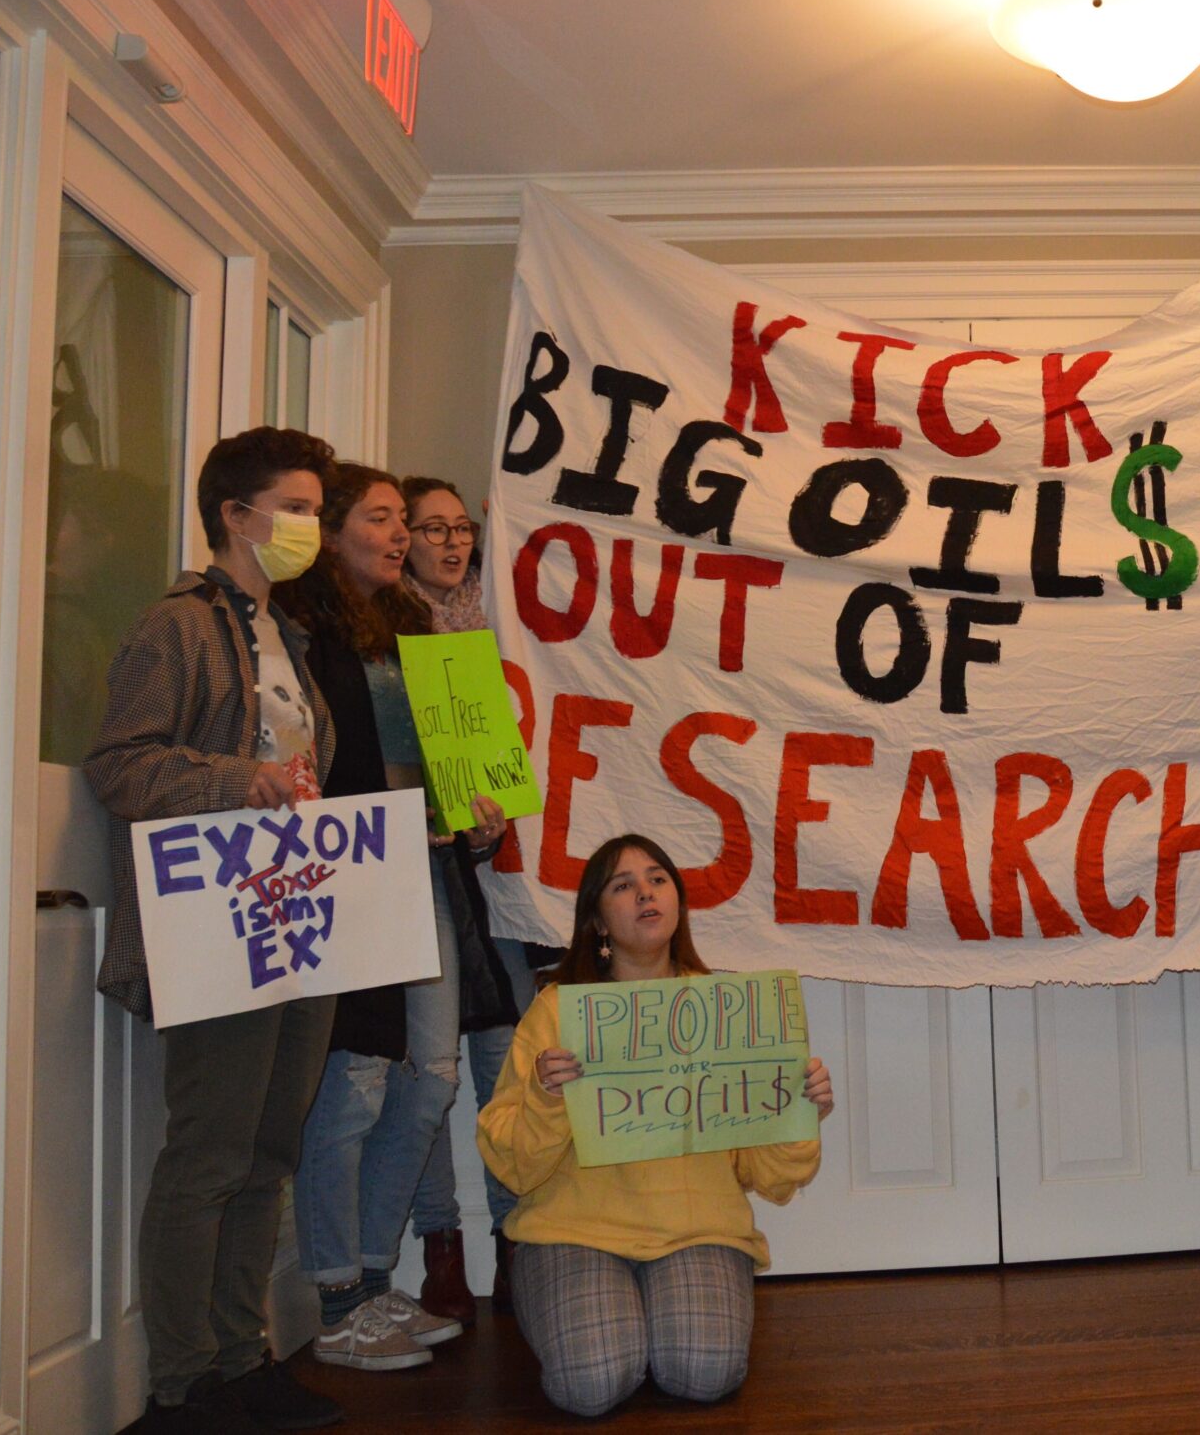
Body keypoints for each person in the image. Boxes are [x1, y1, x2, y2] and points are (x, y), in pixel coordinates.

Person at [86, 426, 347, 1433]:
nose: (309, 526)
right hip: (214, 928)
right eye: (294, 506)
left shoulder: (291, 640)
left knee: (270, 1148)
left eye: (316, 508)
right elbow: (121, 766)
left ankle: (245, 1357)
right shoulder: (175, 627)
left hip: (301, 919)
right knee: (209, 1152)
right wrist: (244, 781)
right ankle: (183, 1380)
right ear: (235, 516)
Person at [279, 464, 508, 1370]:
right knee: (353, 1090)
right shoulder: (302, 632)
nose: (402, 534)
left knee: (432, 1080)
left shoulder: (420, 629)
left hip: (423, 873)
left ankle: (377, 1280)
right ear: (334, 532)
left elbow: (460, 763)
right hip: (345, 878)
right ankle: (340, 1295)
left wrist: (480, 815)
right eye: (381, 519)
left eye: (400, 521)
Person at [479, 835, 832, 1418]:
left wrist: (797, 1111)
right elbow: (512, 1164)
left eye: (658, 878)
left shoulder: (729, 1010)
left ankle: (644, 1328)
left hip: (697, 1231)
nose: (645, 892)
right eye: (622, 885)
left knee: (705, 1372)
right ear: (596, 918)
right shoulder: (556, 1011)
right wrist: (546, 1096)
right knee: (591, 1383)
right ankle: (615, 1327)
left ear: (678, 901)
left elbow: (770, 1177)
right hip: (572, 1231)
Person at [399, 475, 543, 1319]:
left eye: (462, 530)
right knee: (427, 1076)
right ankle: (439, 1242)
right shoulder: (382, 632)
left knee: (506, 1067)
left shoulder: (510, 624)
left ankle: (516, 1240)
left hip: (502, 876)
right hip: (426, 876)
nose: (451, 544)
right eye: (430, 529)